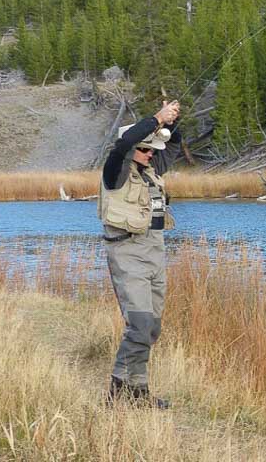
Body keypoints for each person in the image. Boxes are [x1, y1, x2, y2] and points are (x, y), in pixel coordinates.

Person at [98, 100, 181, 408]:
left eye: (152, 151)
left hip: (154, 253)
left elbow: (173, 146)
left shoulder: (151, 168)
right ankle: (117, 393)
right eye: (146, 149)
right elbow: (125, 143)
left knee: (152, 328)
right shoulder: (116, 169)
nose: (151, 154)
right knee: (140, 324)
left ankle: (139, 392)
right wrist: (156, 117)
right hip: (127, 252)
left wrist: (171, 121)